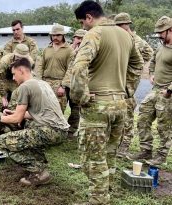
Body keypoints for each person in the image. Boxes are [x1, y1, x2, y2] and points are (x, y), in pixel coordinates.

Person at [70, 1, 143, 204]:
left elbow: (78, 68)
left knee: (92, 158)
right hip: (120, 105)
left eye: (83, 22)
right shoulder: (125, 35)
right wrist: (128, 89)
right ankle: (106, 192)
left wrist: (81, 97)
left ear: (89, 17)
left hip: (98, 107)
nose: (83, 27)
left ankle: (99, 200)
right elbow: (138, 64)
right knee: (110, 153)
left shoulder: (94, 34)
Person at [0, 58, 69, 186]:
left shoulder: (25, 86)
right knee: (29, 131)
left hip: (51, 130)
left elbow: (16, 120)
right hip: (61, 130)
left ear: (21, 71)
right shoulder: (42, 83)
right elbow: (39, 112)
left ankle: (38, 172)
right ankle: (40, 166)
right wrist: (16, 114)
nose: (13, 78)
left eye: (14, 74)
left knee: (2, 141)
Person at [127, 16, 172, 166]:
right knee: (143, 118)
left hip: (167, 93)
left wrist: (169, 91)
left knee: (163, 126)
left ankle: (161, 156)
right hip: (155, 90)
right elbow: (153, 60)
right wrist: (152, 73)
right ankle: (145, 150)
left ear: (170, 30)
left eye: (161, 32)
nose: (159, 35)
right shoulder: (162, 46)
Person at [114, 12, 154, 157]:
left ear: (127, 25)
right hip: (117, 79)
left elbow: (149, 53)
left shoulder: (138, 40)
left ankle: (124, 146)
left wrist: (135, 66)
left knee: (128, 113)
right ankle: (115, 143)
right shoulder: (119, 39)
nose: (118, 28)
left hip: (130, 81)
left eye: (120, 25)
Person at [35, 24, 74, 113]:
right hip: (45, 82)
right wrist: (39, 82)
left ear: (63, 35)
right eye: (53, 35)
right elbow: (40, 66)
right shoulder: (46, 49)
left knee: (58, 112)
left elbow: (71, 69)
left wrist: (63, 86)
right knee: (43, 110)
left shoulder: (69, 50)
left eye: (58, 35)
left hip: (59, 84)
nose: (55, 37)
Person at [61, 29, 86, 138]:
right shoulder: (68, 49)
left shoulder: (87, 50)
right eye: (77, 38)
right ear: (74, 38)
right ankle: (59, 129)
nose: (79, 40)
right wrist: (74, 48)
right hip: (65, 83)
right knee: (60, 107)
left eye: (82, 38)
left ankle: (71, 131)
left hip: (78, 84)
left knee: (75, 109)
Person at [0, 43, 34, 108]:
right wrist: (2, 96)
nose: (20, 60)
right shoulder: (5, 61)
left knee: (17, 101)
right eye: (18, 57)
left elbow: (28, 78)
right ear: (14, 55)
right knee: (2, 102)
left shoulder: (30, 62)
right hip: (5, 81)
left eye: (23, 58)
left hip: (18, 82)